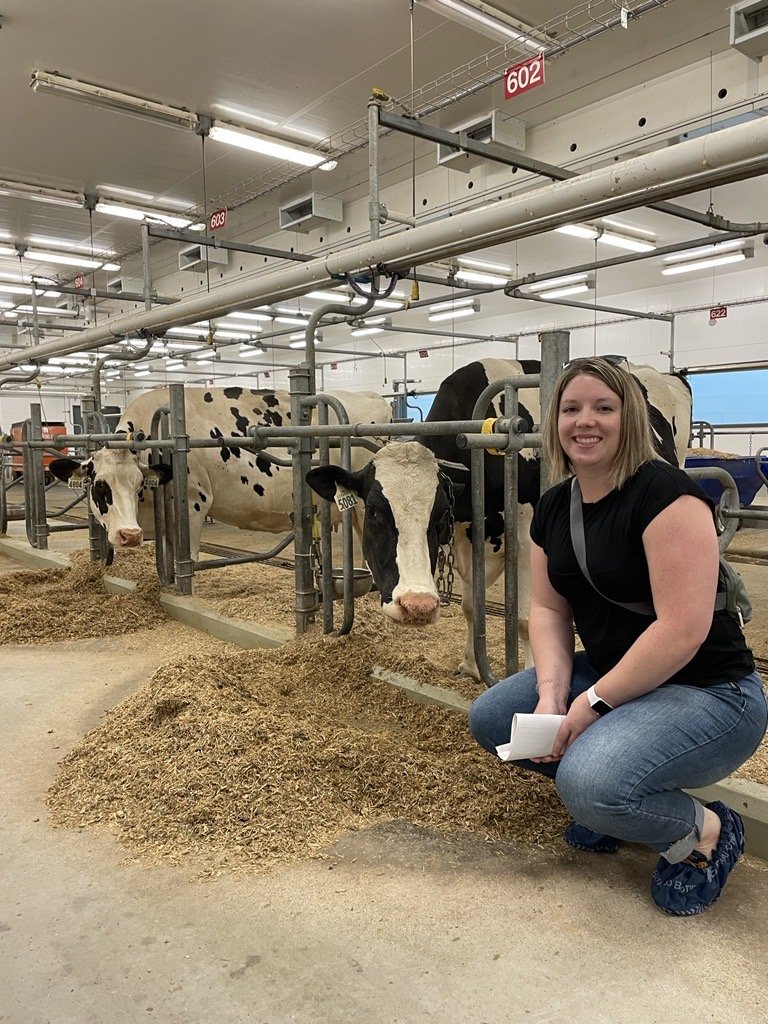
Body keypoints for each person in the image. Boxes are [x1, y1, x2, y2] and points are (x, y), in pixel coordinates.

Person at [468, 356, 767, 916]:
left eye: (604, 407)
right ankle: (615, 798)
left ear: (629, 418)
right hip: (617, 675)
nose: (587, 420)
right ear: (553, 421)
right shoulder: (556, 505)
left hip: (709, 691)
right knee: (494, 717)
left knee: (588, 784)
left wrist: (593, 702)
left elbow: (683, 630)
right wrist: (555, 693)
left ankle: (703, 832)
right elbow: (548, 606)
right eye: (571, 408)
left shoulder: (667, 496)